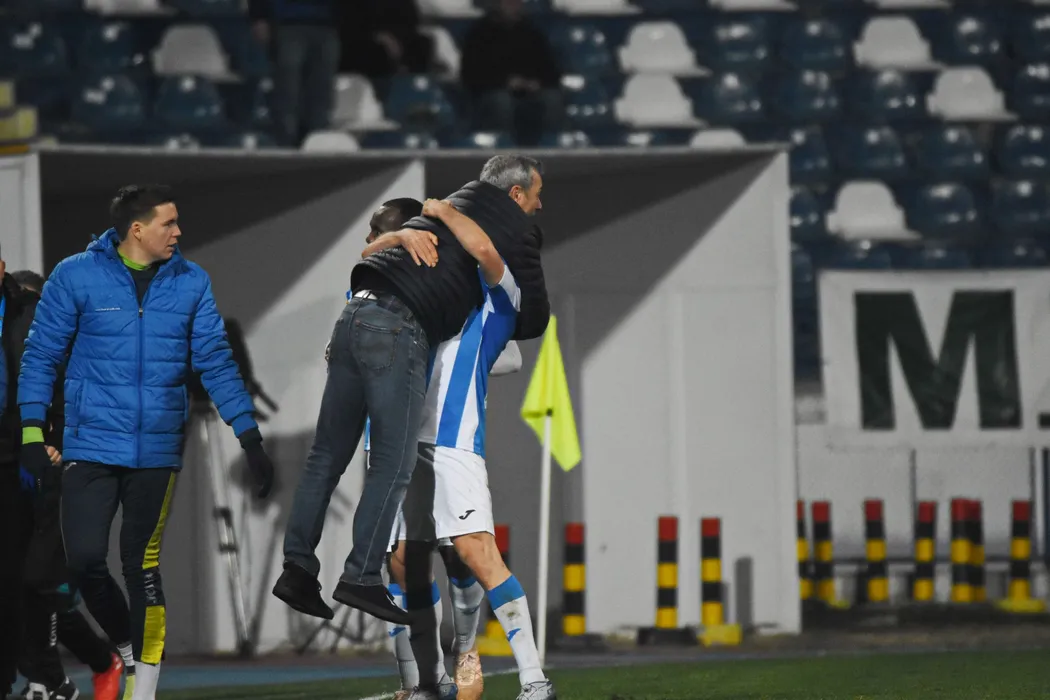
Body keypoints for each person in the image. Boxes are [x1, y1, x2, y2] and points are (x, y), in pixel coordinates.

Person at [17, 185, 277, 700]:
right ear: (136, 229)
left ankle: (146, 689)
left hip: (157, 451)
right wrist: (30, 431)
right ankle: (127, 649)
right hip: (90, 447)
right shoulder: (74, 275)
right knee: (85, 563)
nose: (178, 232)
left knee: (142, 567)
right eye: (169, 223)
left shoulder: (191, 281)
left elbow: (216, 361)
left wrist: (248, 435)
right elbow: (40, 355)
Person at [274, 156, 548, 625]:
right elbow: (494, 265)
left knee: (325, 457)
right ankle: (361, 576)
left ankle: (297, 568)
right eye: (537, 196)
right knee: (393, 462)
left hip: (353, 316)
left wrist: (408, 231)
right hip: (398, 330)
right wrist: (438, 215)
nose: (539, 206)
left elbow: (370, 252)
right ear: (516, 195)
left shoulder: (436, 227)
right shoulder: (491, 240)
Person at [387, 211, 554, 700]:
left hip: (454, 444)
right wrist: (398, 237)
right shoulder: (425, 292)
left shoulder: (499, 298)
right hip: (404, 446)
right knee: (403, 562)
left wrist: (441, 210)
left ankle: (530, 677)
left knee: (474, 554)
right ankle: (429, 681)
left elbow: (483, 253)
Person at [0, 257, 125, 700]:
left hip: (41, 466)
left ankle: (55, 677)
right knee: (31, 588)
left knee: (40, 584)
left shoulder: (45, 325)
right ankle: (54, 676)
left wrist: (57, 440)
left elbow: (71, 384)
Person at [460, 0, 563, 146]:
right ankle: (504, 147)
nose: (514, 7)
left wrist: (537, 83)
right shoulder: (479, 33)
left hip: (529, 91)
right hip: (493, 91)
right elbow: (471, 74)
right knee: (502, 102)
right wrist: (505, 83)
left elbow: (550, 70)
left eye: (517, 3)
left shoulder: (532, 32)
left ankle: (552, 146)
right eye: (509, 3)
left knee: (552, 98)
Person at [248, 0, 339, 146]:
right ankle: (285, 145)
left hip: (326, 25)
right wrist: (259, 16)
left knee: (322, 95)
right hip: (287, 24)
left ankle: (318, 145)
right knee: (287, 93)